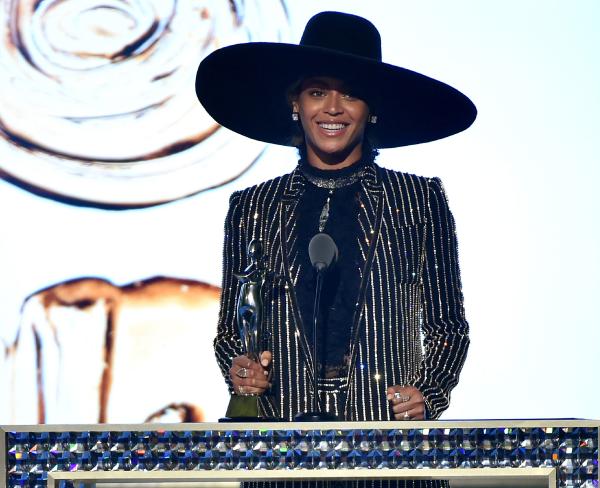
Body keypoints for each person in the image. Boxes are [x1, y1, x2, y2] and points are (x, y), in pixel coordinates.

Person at [196, 11, 475, 424]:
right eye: (316, 92)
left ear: (371, 108)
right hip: (281, 442)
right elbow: (232, 331)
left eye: (350, 94)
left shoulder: (419, 200)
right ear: (295, 102)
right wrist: (241, 370)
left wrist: (428, 394)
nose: (332, 108)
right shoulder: (252, 207)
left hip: (388, 442)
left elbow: (447, 325)